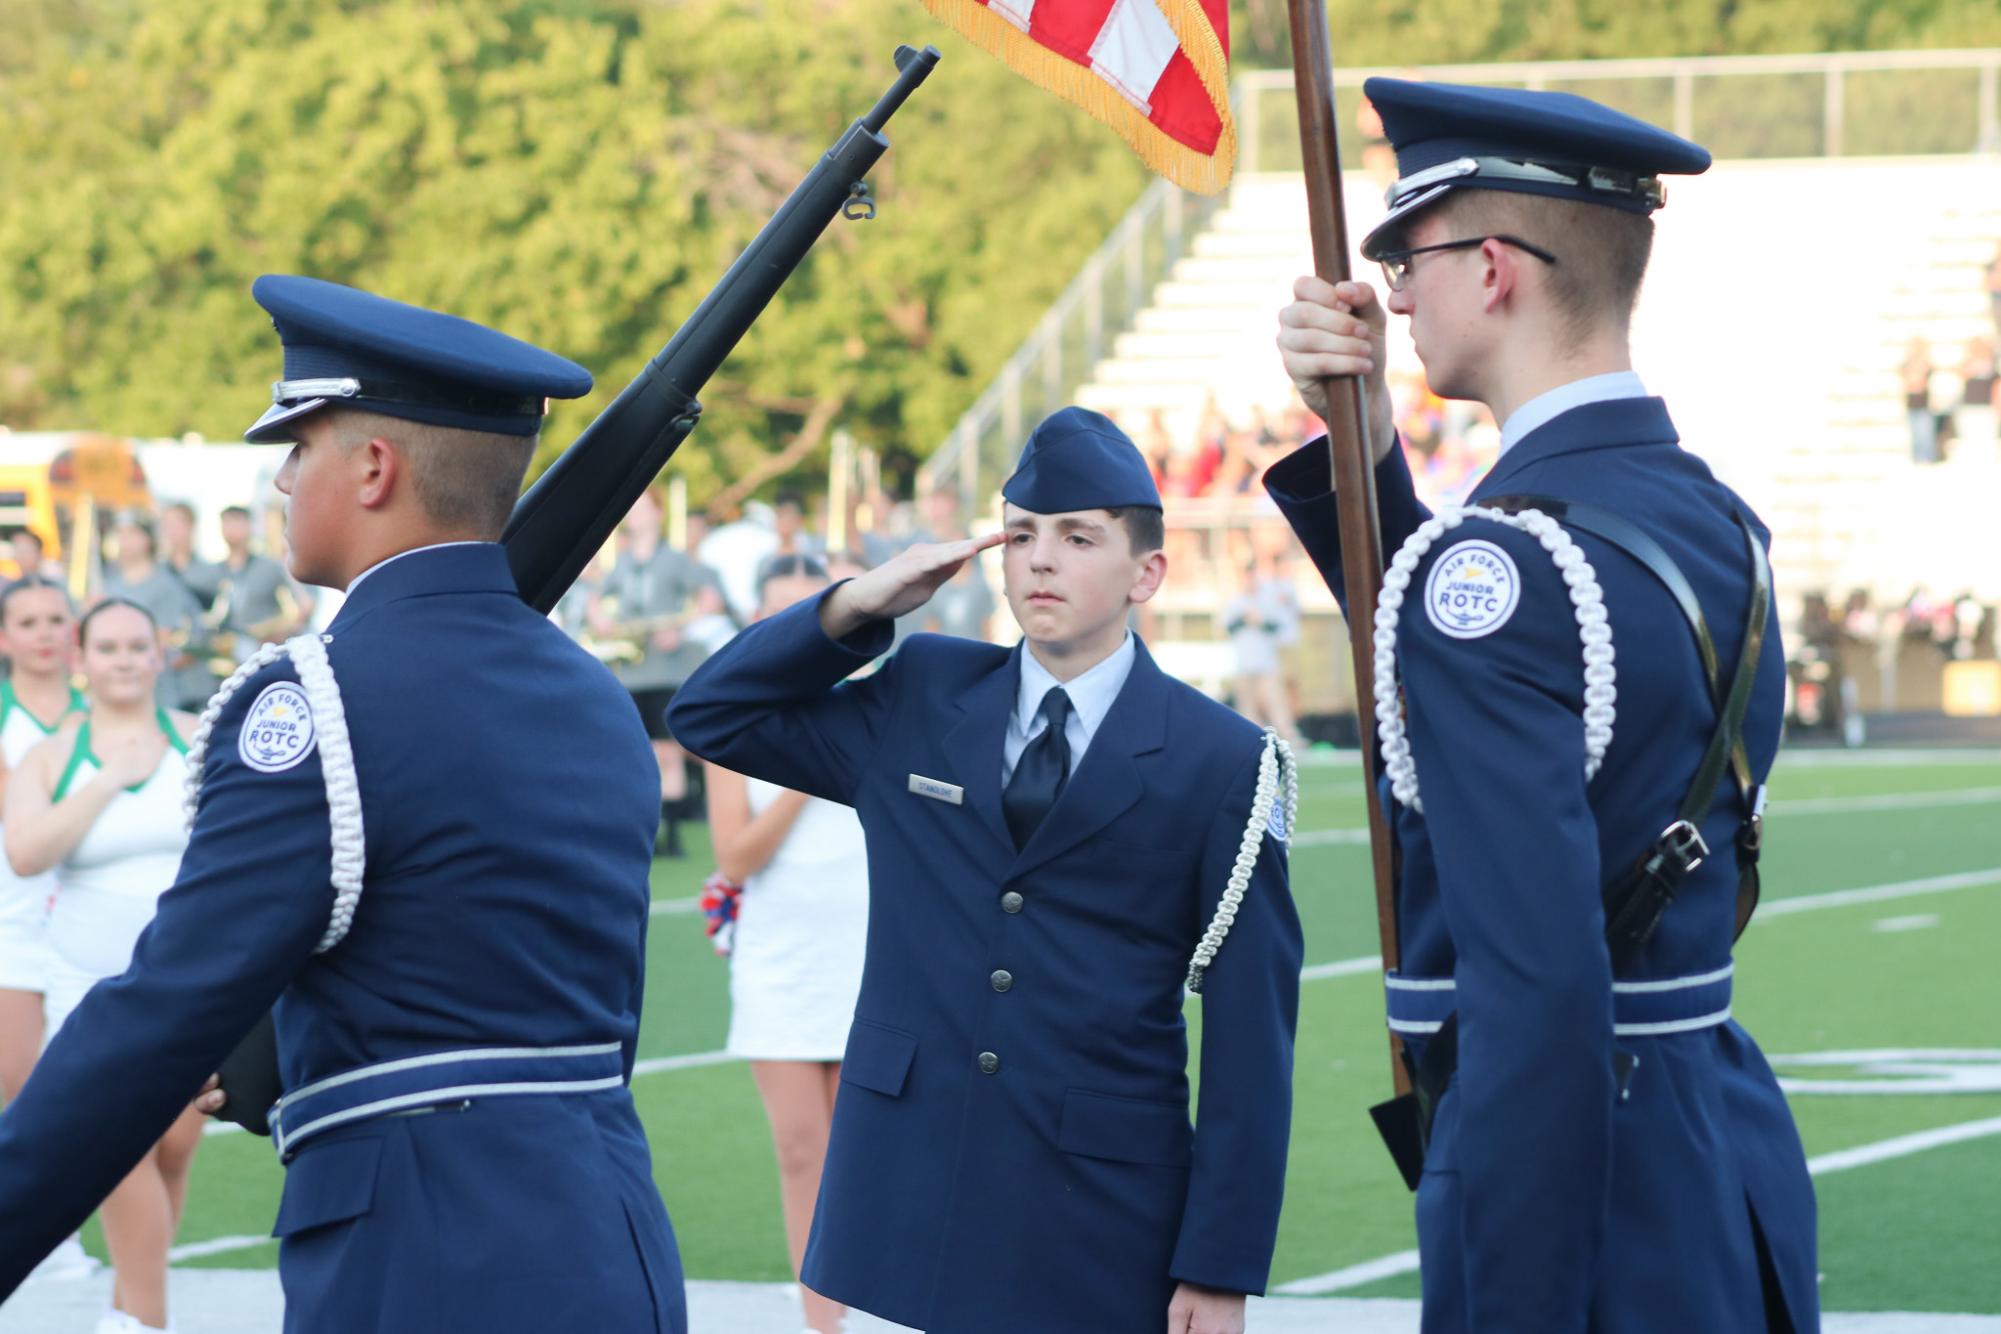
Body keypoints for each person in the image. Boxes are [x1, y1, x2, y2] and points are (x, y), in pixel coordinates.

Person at [0, 274, 687, 1333]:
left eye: (300, 446)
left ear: (373, 468)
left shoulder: (312, 699)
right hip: (615, 1242)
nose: (279, 480)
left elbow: (161, 1015)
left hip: (424, 1259)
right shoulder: (593, 693)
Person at [1265, 79, 1816, 1332]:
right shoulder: (1710, 512)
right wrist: (1356, 450)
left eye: (1408, 254)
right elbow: (1482, 631)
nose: (1394, 293)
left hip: (1579, 1196)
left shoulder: (1509, 565)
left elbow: (1537, 992)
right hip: (1709, 1144)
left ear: (1495, 268)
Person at [670, 406, 1302, 1334]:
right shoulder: (923, 692)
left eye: (1078, 538)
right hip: (908, 1184)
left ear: (1147, 573)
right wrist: (856, 606)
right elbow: (711, 713)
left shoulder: (1223, 759)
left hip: (1101, 1205)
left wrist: (1218, 1267)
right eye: (1020, 535)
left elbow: (1254, 1043)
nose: (1040, 559)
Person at [6, 599, 199, 1334]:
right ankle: (143, 1323)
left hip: (184, 986)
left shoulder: (196, 737)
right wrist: (110, 778)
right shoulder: (50, 754)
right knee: (120, 1149)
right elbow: (25, 852)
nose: (122, 658)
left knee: (176, 1147)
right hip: (88, 989)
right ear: (81, 661)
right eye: (107, 647)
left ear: (158, 656)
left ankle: (126, 1309)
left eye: (136, 646)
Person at [704, 554, 868, 1334]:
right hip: (781, 966)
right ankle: (822, 1325)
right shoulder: (730, 721)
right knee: (803, 1152)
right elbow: (733, 856)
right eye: (777, 614)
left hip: (869, 961)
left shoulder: (870, 710)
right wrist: (803, 779)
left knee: (862, 1160)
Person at [589, 486, 712, 856]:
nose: (636, 516)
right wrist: (600, 621)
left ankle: (671, 837)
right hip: (630, 668)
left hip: (665, 668)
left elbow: (707, 597)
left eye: (642, 509)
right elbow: (596, 597)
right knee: (636, 750)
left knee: (667, 752)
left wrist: (681, 628)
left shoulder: (675, 559)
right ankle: (647, 829)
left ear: (658, 514)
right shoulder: (621, 562)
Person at [98, 514, 213, 712]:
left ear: (148, 540)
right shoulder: (110, 584)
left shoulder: (165, 583)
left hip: (162, 685)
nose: (125, 541)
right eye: (121, 535)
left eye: (132, 535)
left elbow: (171, 636)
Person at [215, 504, 315, 657]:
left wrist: (279, 634)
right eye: (227, 522)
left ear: (249, 526)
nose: (231, 529)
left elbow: (305, 605)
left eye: (237, 522)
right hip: (224, 653)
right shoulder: (215, 571)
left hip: (260, 650)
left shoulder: (270, 567)